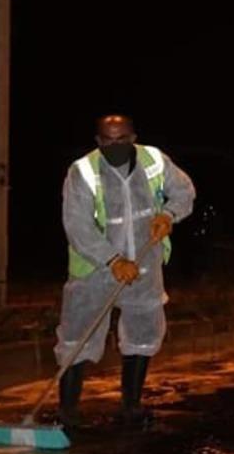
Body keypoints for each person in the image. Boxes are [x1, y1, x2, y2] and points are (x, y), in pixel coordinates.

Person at [56, 114, 196, 429]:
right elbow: (77, 226)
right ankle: (67, 412)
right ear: (98, 141)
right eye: (107, 140)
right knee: (77, 336)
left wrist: (169, 214)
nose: (115, 145)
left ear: (133, 137)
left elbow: (184, 191)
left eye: (122, 139)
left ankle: (131, 406)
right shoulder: (83, 171)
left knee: (143, 333)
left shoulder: (154, 160)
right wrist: (113, 260)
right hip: (95, 268)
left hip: (145, 265)